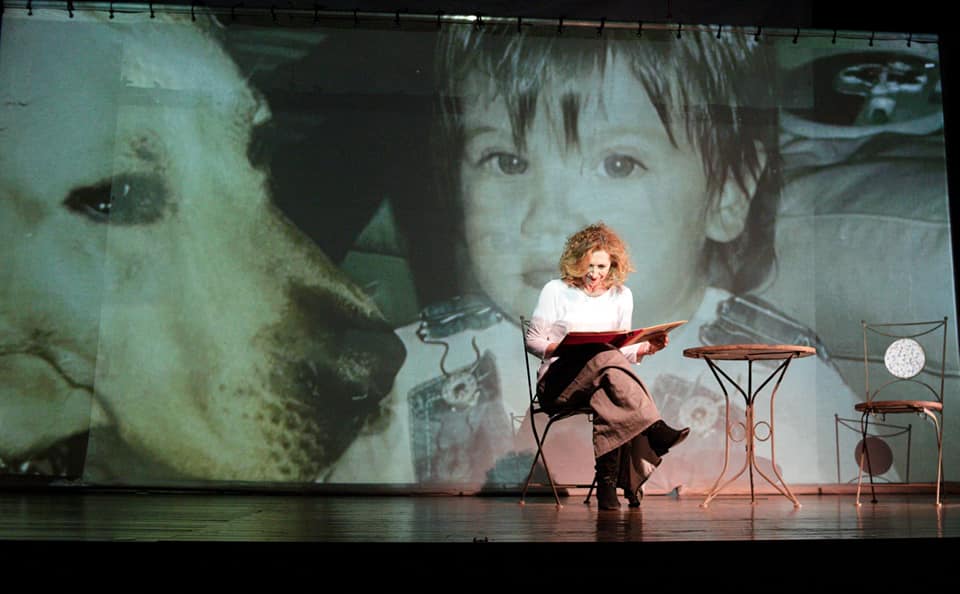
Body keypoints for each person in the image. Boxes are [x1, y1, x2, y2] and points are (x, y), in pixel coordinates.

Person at [524, 223, 690, 509]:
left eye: (601, 266)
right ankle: (654, 428)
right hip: (559, 384)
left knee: (610, 389)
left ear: (613, 265)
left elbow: (620, 353)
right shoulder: (556, 290)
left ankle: (607, 487)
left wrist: (648, 348)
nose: (594, 273)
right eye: (588, 265)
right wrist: (563, 348)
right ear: (576, 262)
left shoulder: (622, 295)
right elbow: (533, 341)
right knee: (604, 357)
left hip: (599, 381)